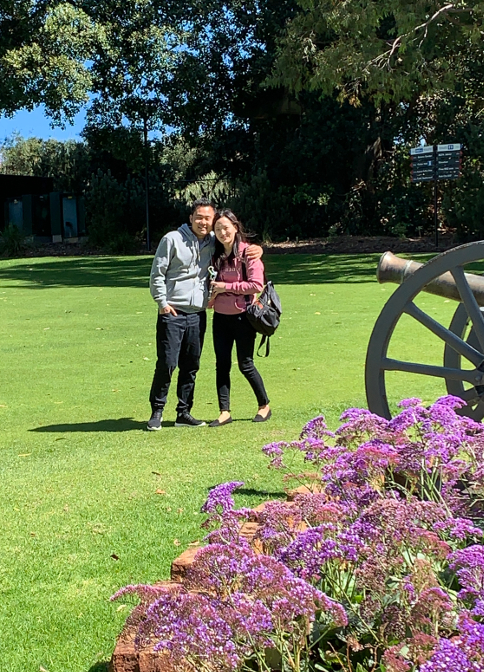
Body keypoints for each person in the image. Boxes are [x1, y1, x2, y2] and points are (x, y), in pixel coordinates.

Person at [147, 199, 262, 430]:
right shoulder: (172, 239)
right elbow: (157, 274)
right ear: (191, 218)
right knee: (167, 363)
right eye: (199, 217)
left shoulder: (212, 241)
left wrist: (257, 249)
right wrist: (161, 302)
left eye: (208, 219)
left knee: (191, 365)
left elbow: (235, 242)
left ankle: (183, 413)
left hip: (197, 314)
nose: (203, 222)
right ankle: (157, 411)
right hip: (172, 311)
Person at [208, 209, 271, 427]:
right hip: (220, 318)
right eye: (217, 229)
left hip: (243, 317)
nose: (222, 232)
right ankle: (224, 411)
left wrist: (226, 286)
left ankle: (264, 405)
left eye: (226, 227)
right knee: (222, 364)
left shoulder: (248, 254)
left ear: (236, 227)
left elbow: (256, 285)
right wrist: (212, 294)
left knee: (246, 364)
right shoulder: (215, 256)